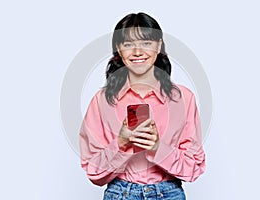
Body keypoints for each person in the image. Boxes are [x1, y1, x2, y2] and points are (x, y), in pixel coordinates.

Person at [79, 12, 205, 200]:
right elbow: (93, 172)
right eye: (128, 44)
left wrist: (157, 148)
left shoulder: (183, 99)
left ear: (159, 46)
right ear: (118, 49)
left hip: (169, 193)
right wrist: (121, 144)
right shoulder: (102, 100)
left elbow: (194, 168)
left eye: (146, 43)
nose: (137, 52)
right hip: (120, 194)